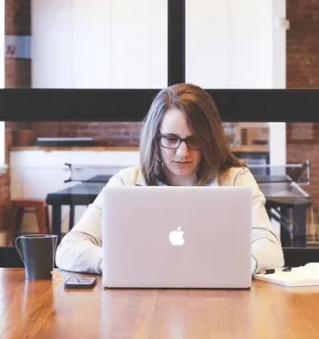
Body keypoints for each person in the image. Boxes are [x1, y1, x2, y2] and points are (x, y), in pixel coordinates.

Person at [55, 83, 284, 275]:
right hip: (140, 305)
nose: (182, 152)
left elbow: (272, 251)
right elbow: (68, 249)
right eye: (171, 139)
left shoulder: (234, 180)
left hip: (217, 304)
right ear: (155, 138)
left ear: (209, 140)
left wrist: (234, 267)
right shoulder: (127, 182)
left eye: (194, 141)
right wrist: (116, 263)